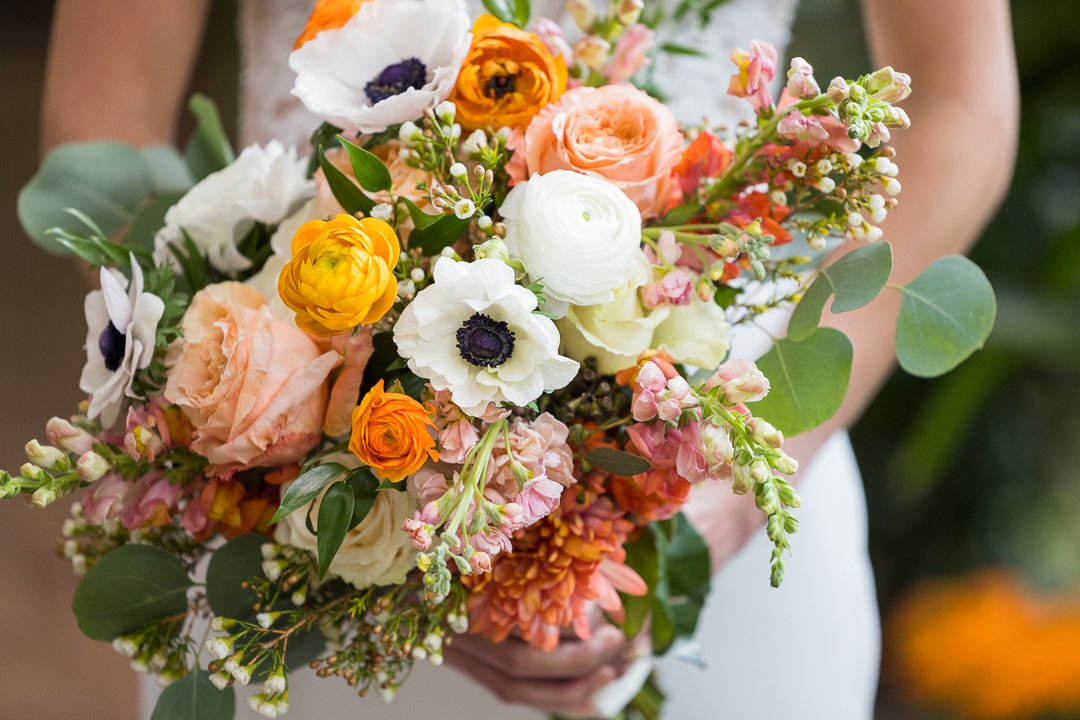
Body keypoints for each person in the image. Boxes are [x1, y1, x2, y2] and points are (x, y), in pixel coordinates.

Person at [39, 0, 1018, 717]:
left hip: (727, 448)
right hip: (304, 509)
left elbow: (965, 103)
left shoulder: (735, 481)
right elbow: (103, 115)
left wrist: (739, 482)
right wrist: (301, 452)